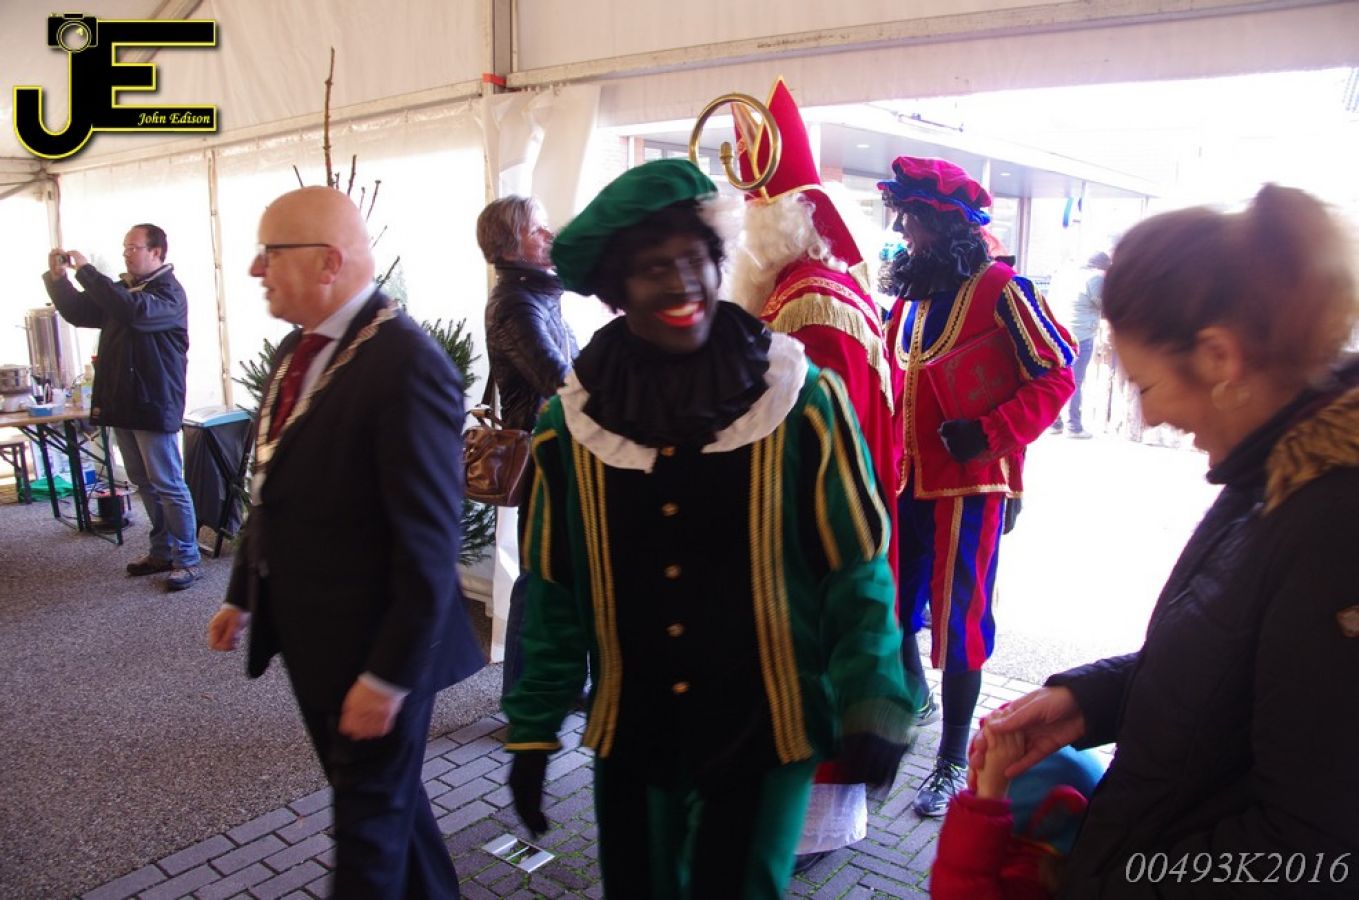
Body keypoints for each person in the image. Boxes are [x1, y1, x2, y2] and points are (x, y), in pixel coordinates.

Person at [501, 158, 916, 898]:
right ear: (616, 289)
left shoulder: (800, 400)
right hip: (633, 736)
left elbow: (856, 565)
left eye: (694, 258)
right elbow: (556, 585)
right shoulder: (570, 425)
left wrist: (872, 693)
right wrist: (533, 727)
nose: (682, 283)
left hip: (765, 731)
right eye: (653, 268)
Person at [977, 184, 1359, 898]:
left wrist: (1103, 886)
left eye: (1146, 385)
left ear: (1218, 356)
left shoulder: (1335, 524)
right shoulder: (1274, 469)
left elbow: (1312, 845)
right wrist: (1093, 700)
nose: (1147, 417)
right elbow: (1235, 675)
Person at [207, 187, 484, 897]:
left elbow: (429, 543)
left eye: (270, 253)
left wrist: (387, 677)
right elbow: (271, 480)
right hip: (317, 639)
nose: (255, 269)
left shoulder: (406, 364)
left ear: (328, 262)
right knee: (389, 810)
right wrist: (242, 592)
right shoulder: (298, 351)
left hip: (376, 649)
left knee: (368, 833)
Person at [728, 77, 907, 866]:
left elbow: (820, 449)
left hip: (812, 544)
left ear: (773, 224)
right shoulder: (805, 291)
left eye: (747, 218)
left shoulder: (807, 307)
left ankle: (801, 835)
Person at [878, 156, 1076, 817]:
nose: (903, 233)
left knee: (960, 622)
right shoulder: (908, 300)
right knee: (889, 607)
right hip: (903, 485)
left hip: (970, 488)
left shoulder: (1004, 290)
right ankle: (916, 699)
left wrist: (992, 432)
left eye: (913, 220)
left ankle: (950, 761)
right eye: (901, 219)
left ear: (947, 225)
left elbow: (1057, 371)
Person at [43, 224, 202, 590]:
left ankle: (188, 559)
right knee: (144, 482)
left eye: (134, 248)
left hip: (153, 403)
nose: (127, 254)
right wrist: (60, 280)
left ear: (156, 252)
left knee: (168, 484)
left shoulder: (167, 295)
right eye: (125, 248)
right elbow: (80, 312)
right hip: (124, 402)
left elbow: (132, 312)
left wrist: (87, 272)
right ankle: (161, 552)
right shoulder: (124, 292)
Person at [476, 195, 578, 696]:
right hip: (542, 454)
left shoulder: (539, 295)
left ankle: (563, 681)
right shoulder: (516, 303)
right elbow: (558, 378)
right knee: (538, 574)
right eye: (538, 230)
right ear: (510, 245)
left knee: (563, 570)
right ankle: (518, 693)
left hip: (560, 449)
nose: (549, 235)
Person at [932, 724, 1104, 899]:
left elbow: (958, 889)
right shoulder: (1062, 862)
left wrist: (987, 799)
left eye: (983, 773)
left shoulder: (1023, 878)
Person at [1048, 252, 1110, 439]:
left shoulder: (1068, 275)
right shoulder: (1095, 279)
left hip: (1060, 333)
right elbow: (1105, 305)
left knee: (1059, 377)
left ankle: (1054, 422)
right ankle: (1073, 426)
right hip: (1081, 335)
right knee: (1074, 381)